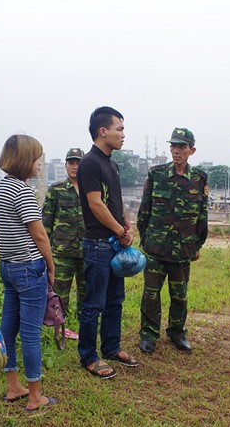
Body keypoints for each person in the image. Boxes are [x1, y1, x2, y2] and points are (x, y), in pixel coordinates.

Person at [0, 135, 58, 413]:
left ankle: (13, 386)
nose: (39, 163)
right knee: (30, 333)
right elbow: (39, 234)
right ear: (24, 161)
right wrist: (51, 266)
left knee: (8, 328)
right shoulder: (22, 191)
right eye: (36, 158)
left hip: (8, 267)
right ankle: (34, 396)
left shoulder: (0, 188)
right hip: (29, 269)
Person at [77, 106, 139, 380]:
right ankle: (89, 356)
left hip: (115, 240)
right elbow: (95, 204)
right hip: (99, 244)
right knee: (94, 303)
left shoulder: (111, 163)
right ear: (103, 131)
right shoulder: (90, 163)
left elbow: (117, 202)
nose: (123, 135)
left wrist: (127, 226)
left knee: (116, 299)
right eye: (120, 129)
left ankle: (111, 346)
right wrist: (118, 230)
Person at [137, 127, 208, 354]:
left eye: (182, 147)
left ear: (192, 150)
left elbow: (202, 215)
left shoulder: (199, 179)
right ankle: (148, 334)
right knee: (150, 293)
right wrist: (145, 240)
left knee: (179, 295)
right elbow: (144, 210)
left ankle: (177, 332)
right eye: (174, 146)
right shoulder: (156, 175)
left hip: (182, 249)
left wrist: (197, 245)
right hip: (156, 247)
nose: (176, 151)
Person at [42, 147, 86, 330]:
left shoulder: (90, 189)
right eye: (71, 163)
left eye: (78, 163)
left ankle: (84, 324)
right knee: (60, 293)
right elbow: (46, 223)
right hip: (62, 251)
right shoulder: (56, 190)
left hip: (86, 250)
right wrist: (45, 252)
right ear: (66, 165)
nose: (74, 167)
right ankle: (60, 326)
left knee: (87, 292)